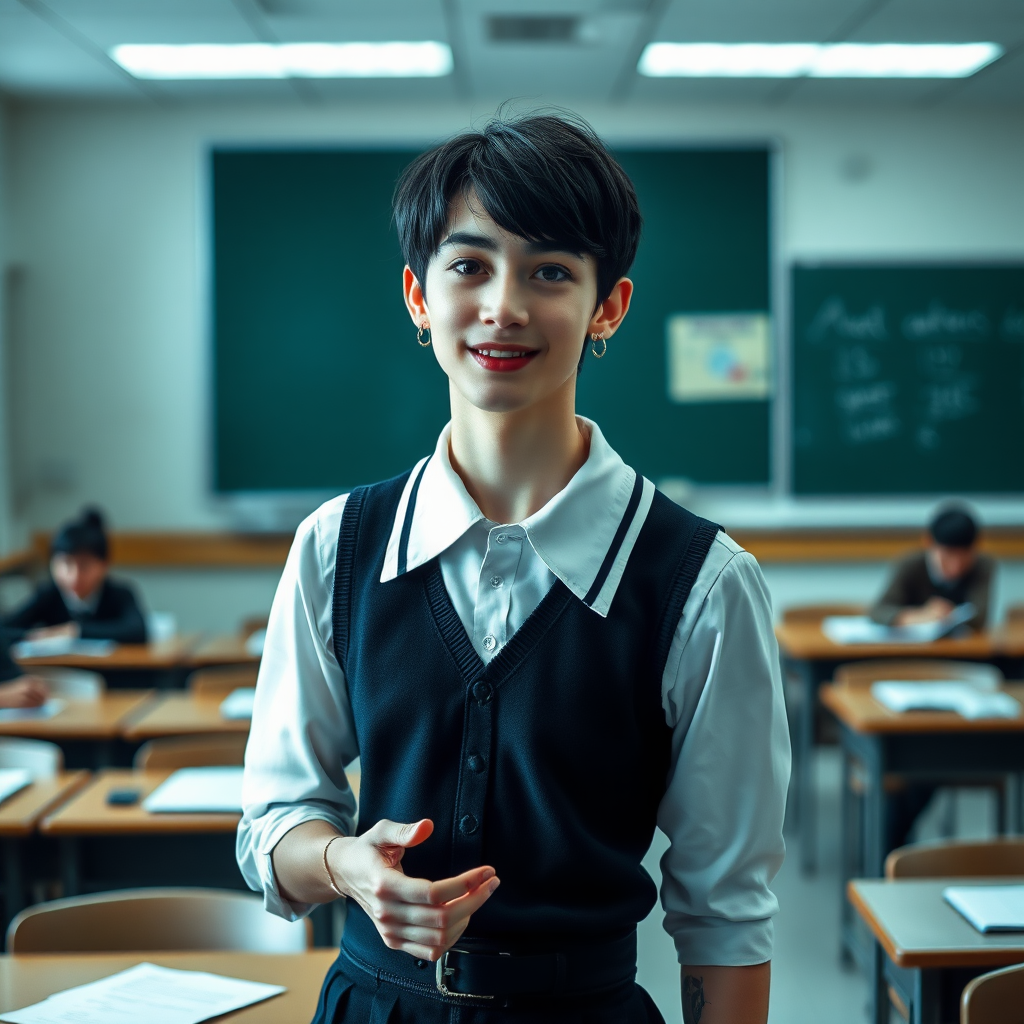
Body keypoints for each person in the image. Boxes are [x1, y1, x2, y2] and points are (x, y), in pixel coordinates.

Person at [237, 111, 789, 1024]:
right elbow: (273, 827)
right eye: (469, 265)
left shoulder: (702, 582)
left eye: (551, 271)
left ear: (608, 306)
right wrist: (344, 863)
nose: (504, 305)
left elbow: (726, 916)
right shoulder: (337, 546)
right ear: (418, 296)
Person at [2, 508, 147, 645]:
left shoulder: (120, 594)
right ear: (52, 564)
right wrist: (40, 635)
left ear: (104, 566)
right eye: (66, 564)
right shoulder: (48, 595)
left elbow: (137, 631)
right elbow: (5, 628)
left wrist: (74, 631)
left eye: (84, 566)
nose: (74, 576)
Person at [870, 504, 994, 631]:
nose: (955, 566)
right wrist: (918, 616)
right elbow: (878, 611)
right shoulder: (910, 564)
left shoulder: (982, 565)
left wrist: (949, 614)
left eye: (965, 557)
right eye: (948, 556)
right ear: (928, 542)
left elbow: (980, 616)